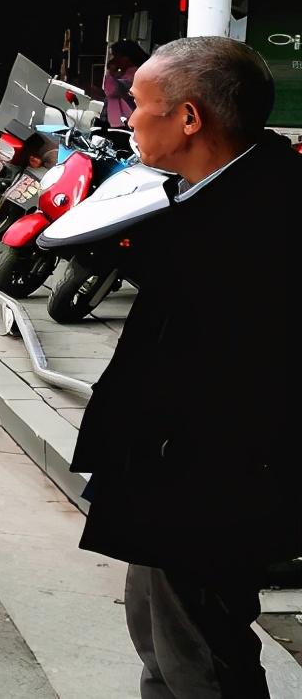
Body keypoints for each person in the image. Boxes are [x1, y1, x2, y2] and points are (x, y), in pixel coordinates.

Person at [72, 36, 302, 697]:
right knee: (160, 638)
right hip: (168, 470)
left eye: (141, 107)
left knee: (201, 648)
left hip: (211, 483)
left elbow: (249, 370)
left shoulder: (268, 215)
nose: (129, 121)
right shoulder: (207, 194)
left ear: (190, 118)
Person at [102, 39, 149, 127]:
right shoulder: (128, 72)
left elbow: (110, 89)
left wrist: (110, 71)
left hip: (124, 122)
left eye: (116, 56)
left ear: (126, 58)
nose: (114, 60)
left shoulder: (134, 74)